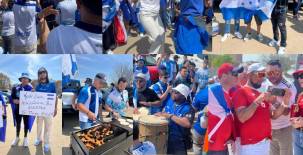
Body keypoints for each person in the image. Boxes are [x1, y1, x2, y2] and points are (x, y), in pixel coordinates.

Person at [232, 63, 292, 155]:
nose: (262, 77)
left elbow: (273, 115)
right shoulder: (241, 92)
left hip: (265, 142)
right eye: (260, 74)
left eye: (264, 74)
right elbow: (242, 117)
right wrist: (258, 101)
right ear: (249, 75)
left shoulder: (260, 94)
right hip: (250, 145)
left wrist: (285, 102)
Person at [263, 60, 296, 155]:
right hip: (271, 130)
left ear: (281, 71)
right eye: (269, 73)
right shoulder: (267, 84)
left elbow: (287, 112)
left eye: (275, 72)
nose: (272, 75)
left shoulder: (288, 86)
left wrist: (274, 101)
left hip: (284, 129)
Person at [207, 63, 238, 155]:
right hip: (213, 147)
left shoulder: (228, 94)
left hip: (225, 145)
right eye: (234, 74)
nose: (237, 77)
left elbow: (229, 120)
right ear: (224, 76)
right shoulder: (213, 91)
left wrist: (232, 138)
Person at [156, 84, 195, 155]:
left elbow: (187, 123)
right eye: (173, 91)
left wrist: (169, 116)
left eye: (176, 92)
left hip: (179, 142)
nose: (173, 93)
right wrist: (161, 114)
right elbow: (164, 111)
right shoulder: (170, 101)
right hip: (166, 138)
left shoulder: (188, 108)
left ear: (183, 96)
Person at [33, 67, 57, 152]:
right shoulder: (37, 85)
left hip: (48, 111)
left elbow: (55, 97)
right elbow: (35, 98)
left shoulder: (52, 84)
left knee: (48, 127)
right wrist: (32, 93)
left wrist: (55, 108)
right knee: (39, 126)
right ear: (38, 75)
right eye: (40, 73)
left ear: (46, 73)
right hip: (39, 111)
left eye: (43, 72)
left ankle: (46, 143)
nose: (42, 74)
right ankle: (38, 139)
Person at [11, 73, 34, 147]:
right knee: (18, 123)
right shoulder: (15, 88)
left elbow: (35, 99)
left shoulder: (31, 88)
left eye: (26, 78)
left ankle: (25, 138)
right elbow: (11, 97)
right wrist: (14, 100)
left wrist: (34, 94)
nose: (24, 80)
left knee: (26, 124)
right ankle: (17, 137)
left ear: (28, 80)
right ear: (21, 79)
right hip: (18, 109)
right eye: (23, 78)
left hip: (26, 110)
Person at [191, 86, 208, 154]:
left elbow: (193, 109)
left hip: (200, 127)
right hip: (216, 129)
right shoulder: (223, 92)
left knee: (197, 146)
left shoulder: (201, 93)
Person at [291, 66, 303, 155]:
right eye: (298, 76)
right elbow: (296, 114)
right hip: (298, 133)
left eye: (302, 75)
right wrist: (293, 120)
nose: (300, 79)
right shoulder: (301, 95)